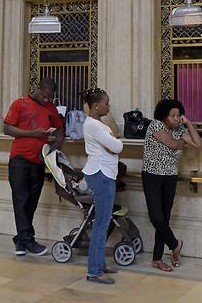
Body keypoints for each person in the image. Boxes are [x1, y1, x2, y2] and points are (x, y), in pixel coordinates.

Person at [3, 77, 65, 256]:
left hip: (39, 162)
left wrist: (57, 145)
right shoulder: (20, 104)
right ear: (38, 89)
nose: (47, 100)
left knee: (31, 203)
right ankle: (29, 241)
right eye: (44, 96)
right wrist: (33, 134)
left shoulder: (50, 108)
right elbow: (7, 129)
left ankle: (20, 240)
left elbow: (59, 128)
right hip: (19, 161)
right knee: (21, 201)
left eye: (50, 97)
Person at [141, 98, 202, 271]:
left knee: (165, 218)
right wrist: (183, 140)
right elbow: (174, 145)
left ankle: (157, 259)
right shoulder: (156, 126)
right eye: (172, 115)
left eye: (178, 115)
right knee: (156, 217)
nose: (176, 119)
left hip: (170, 177)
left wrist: (188, 123)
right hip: (152, 175)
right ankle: (176, 245)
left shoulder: (180, 129)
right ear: (164, 116)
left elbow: (197, 144)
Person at [82, 87, 123, 284]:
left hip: (103, 173)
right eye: (106, 103)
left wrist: (113, 142)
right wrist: (114, 142)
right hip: (101, 174)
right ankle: (94, 271)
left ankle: (98, 263)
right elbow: (117, 145)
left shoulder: (96, 123)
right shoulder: (95, 126)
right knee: (101, 223)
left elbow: (113, 143)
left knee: (103, 222)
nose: (109, 106)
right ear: (96, 105)